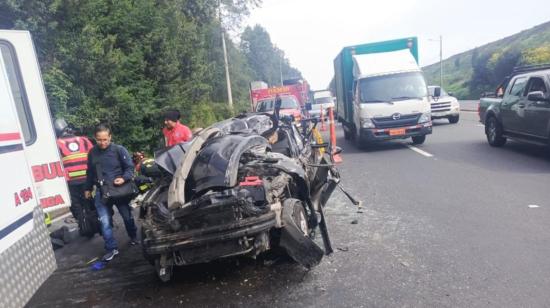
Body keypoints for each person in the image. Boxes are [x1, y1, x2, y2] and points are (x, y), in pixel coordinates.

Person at [84, 124, 138, 261]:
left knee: (127, 218)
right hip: (102, 192)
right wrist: (87, 188)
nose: (102, 143)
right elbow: (90, 172)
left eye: (105, 139)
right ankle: (111, 248)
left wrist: (124, 178)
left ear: (110, 137)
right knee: (105, 222)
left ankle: (133, 236)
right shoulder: (92, 152)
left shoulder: (119, 150)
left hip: (119, 191)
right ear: (95, 139)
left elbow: (130, 168)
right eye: (99, 140)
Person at [54, 118, 94, 222]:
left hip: (70, 181)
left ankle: (82, 224)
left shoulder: (56, 143)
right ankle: (95, 222)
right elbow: (94, 157)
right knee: (88, 200)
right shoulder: (84, 140)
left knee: (75, 203)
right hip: (87, 179)